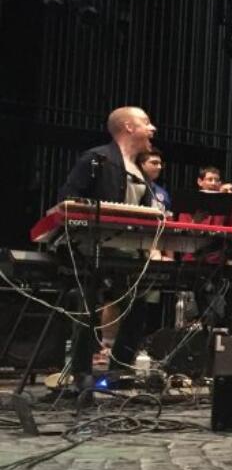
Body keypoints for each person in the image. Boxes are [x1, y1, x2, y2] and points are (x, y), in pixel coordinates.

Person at [59, 106, 157, 387]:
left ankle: (120, 371)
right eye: (146, 123)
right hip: (92, 250)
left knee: (138, 304)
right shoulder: (97, 159)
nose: (152, 129)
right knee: (86, 307)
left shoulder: (138, 168)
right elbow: (67, 199)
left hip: (128, 251)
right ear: (128, 127)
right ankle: (82, 377)